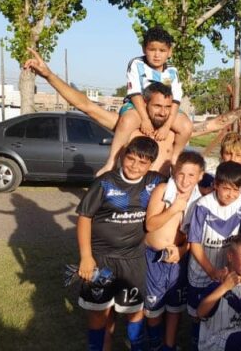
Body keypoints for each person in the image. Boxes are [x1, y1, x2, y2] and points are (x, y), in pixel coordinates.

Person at [23, 48, 241, 172]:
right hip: (130, 196)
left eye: (166, 107)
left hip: (163, 194)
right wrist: (48, 75)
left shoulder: (174, 131)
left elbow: (215, 123)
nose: (162, 112)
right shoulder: (127, 125)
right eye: (157, 106)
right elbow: (85, 105)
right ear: (144, 104)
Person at [75, 136, 164, 351]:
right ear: (123, 156)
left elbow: (185, 184)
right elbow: (84, 217)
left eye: (142, 162)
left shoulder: (156, 182)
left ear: (151, 164)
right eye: (130, 158)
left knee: (134, 311)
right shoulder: (105, 182)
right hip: (101, 259)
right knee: (99, 312)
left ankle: (136, 345)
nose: (134, 166)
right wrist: (86, 257)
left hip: (133, 260)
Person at [97, 27, 193, 176]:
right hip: (138, 105)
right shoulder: (136, 64)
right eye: (152, 49)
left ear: (169, 52)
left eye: (162, 50)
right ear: (144, 49)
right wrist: (145, 119)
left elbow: (175, 100)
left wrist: (167, 126)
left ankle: (174, 159)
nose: (156, 55)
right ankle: (111, 162)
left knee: (186, 126)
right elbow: (135, 93)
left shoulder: (172, 71)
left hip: (164, 108)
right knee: (127, 121)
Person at [185, 161, 241, 350]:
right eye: (226, 188)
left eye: (236, 189)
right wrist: (211, 271)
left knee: (231, 311)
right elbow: (194, 244)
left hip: (231, 269)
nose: (231, 195)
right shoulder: (202, 205)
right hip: (203, 270)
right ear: (216, 184)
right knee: (199, 315)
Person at [144, 151, 206, 351]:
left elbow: (195, 236)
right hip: (154, 257)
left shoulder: (200, 200)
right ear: (173, 171)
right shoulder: (163, 189)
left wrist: (182, 250)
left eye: (191, 175)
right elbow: (150, 225)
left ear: (201, 176)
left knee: (174, 306)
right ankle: (154, 344)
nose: (185, 180)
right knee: (153, 308)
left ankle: (168, 346)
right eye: (181, 174)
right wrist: (173, 209)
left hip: (179, 258)